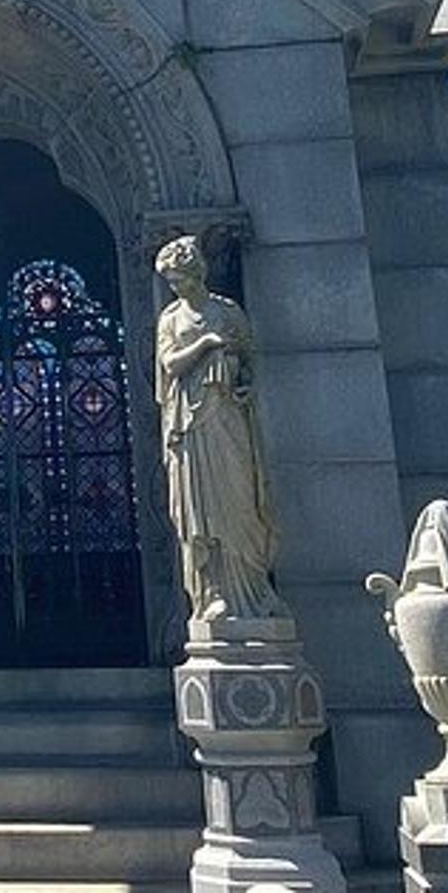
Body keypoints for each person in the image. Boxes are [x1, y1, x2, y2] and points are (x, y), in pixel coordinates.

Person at [154, 235, 281, 622]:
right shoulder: (171, 319)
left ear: (199, 272)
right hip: (191, 425)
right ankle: (212, 594)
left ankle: (256, 594)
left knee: (240, 503)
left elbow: (247, 362)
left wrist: (242, 381)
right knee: (200, 512)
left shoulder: (228, 311)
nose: (178, 287)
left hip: (227, 417)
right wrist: (206, 344)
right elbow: (170, 364)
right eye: (172, 282)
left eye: (182, 279)